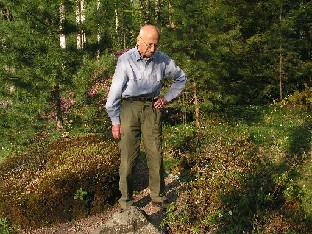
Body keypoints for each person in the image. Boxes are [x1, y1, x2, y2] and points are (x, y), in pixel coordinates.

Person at [105, 24, 187, 210]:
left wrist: (166, 98)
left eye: (156, 45)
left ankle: (158, 196)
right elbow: (114, 94)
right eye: (149, 45)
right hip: (129, 109)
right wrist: (115, 121)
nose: (153, 49)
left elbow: (181, 78)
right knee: (128, 156)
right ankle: (126, 200)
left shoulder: (162, 59)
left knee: (155, 153)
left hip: (152, 108)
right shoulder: (125, 61)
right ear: (139, 41)